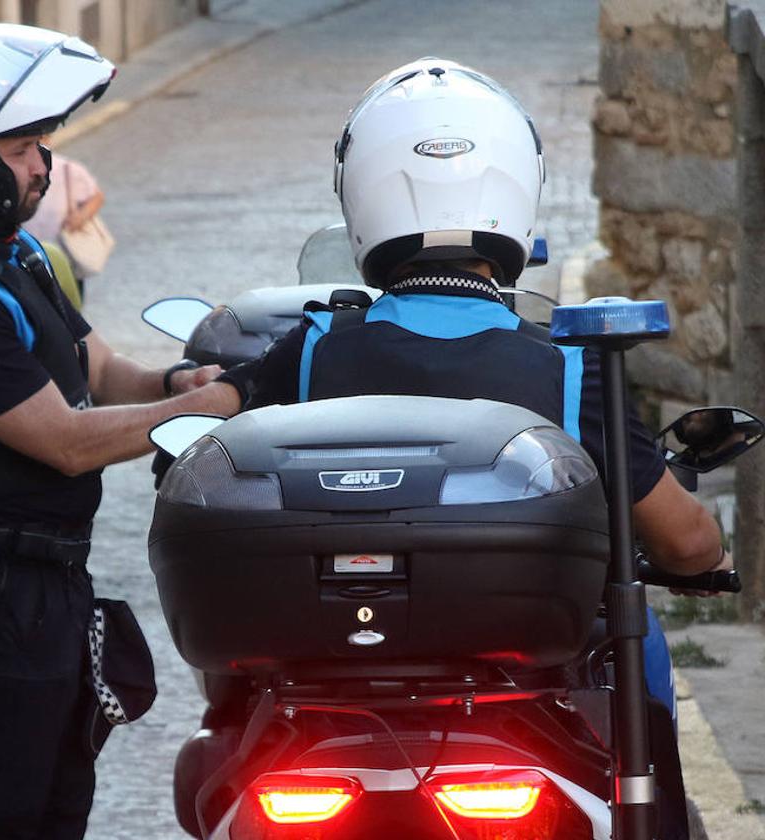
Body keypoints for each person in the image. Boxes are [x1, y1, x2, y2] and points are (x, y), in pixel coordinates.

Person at [214, 57, 728, 839]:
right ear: (520, 187)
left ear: (359, 192)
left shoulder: (314, 348)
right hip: (521, 695)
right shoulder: (568, 363)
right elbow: (686, 541)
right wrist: (706, 559)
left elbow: (221, 427)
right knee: (639, 642)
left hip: (335, 681)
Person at [0, 26, 238, 840]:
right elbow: (66, 439)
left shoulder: (17, 257)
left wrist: (175, 384)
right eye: (21, 147)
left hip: (53, 586)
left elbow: (100, 370)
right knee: (6, 813)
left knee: (61, 804)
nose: (42, 165)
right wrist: (203, 412)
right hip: (0, 590)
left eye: (41, 144)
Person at [22, 139, 106, 300]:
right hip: (29, 250)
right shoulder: (17, 170)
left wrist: (81, 217)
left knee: (70, 301)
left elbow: (96, 196)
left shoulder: (68, 168)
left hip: (65, 251)